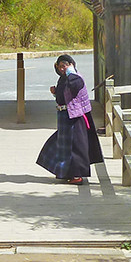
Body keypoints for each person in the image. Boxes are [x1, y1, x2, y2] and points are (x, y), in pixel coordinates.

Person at [36, 53, 103, 185]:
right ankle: (64, 172)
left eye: (65, 66)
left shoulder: (75, 77)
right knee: (61, 145)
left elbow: (76, 84)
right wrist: (56, 92)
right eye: (60, 67)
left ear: (71, 65)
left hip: (75, 116)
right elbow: (64, 94)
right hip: (64, 116)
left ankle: (77, 175)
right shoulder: (63, 78)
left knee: (76, 146)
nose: (62, 69)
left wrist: (70, 71)